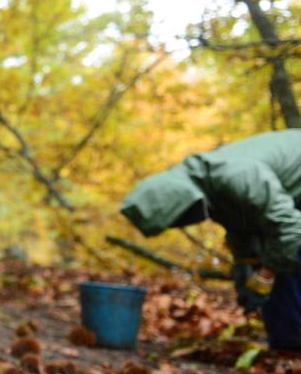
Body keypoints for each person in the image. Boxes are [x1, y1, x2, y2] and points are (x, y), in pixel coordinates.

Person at [120, 130, 301, 351]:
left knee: (286, 255)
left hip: (293, 206)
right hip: (291, 201)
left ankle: (289, 347)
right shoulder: (209, 185)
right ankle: (286, 345)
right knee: (278, 255)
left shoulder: (236, 175)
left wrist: (265, 275)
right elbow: (241, 226)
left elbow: (290, 228)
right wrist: (246, 266)